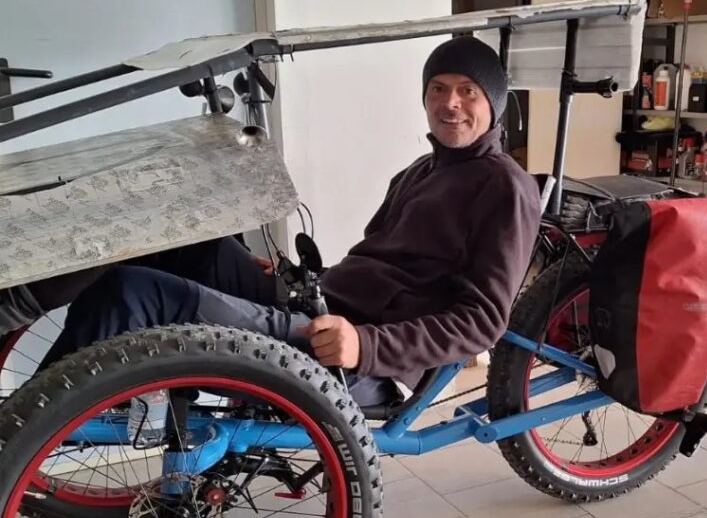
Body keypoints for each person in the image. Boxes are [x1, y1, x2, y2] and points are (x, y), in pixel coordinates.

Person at [2, 36, 542, 407]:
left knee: (132, 293)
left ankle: (25, 427)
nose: (451, 104)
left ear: (493, 103)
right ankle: (19, 310)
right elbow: (383, 266)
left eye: (468, 92)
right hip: (321, 305)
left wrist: (367, 346)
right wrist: (307, 278)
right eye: (438, 89)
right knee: (167, 239)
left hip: (361, 357)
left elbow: (481, 323)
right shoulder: (418, 171)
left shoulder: (505, 188)